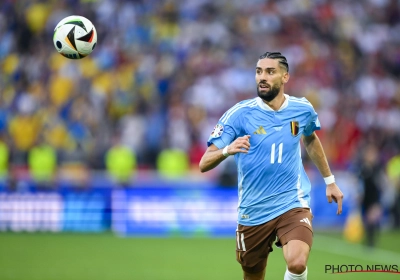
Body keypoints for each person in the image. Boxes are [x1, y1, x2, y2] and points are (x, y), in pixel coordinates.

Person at [199, 52, 344, 280]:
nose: (262, 77)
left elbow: (310, 139)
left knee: (297, 263)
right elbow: (204, 162)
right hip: (253, 211)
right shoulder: (238, 115)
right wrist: (228, 149)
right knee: (253, 275)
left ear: (285, 77)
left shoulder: (302, 109)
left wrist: (330, 181)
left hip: (292, 202)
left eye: (269, 71)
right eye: (258, 72)